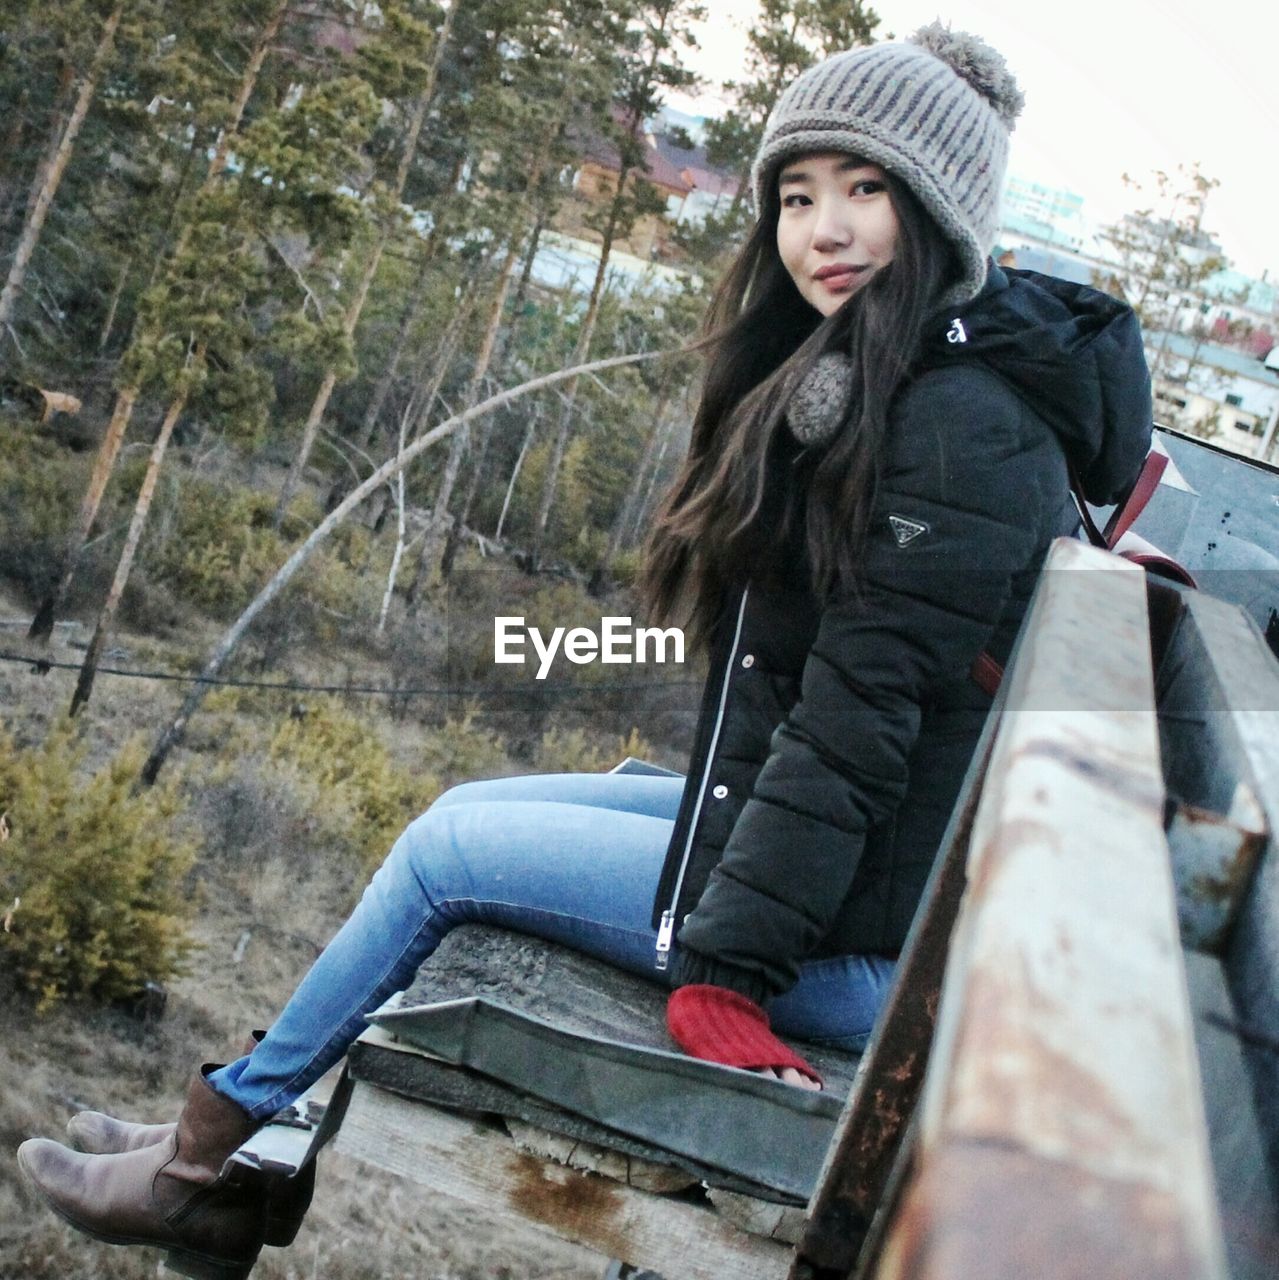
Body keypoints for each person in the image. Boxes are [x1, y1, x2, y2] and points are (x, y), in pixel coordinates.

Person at [18, 22, 1153, 1280]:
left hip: (858, 951)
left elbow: (860, 720)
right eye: (796, 194)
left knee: (445, 853)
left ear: (940, 210)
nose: (823, 228)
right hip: (870, 886)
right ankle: (249, 1114)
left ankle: (205, 1162)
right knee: (489, 802)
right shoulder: (903, 382)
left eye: (866, 190)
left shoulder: (963, 432)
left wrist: (728, 967)